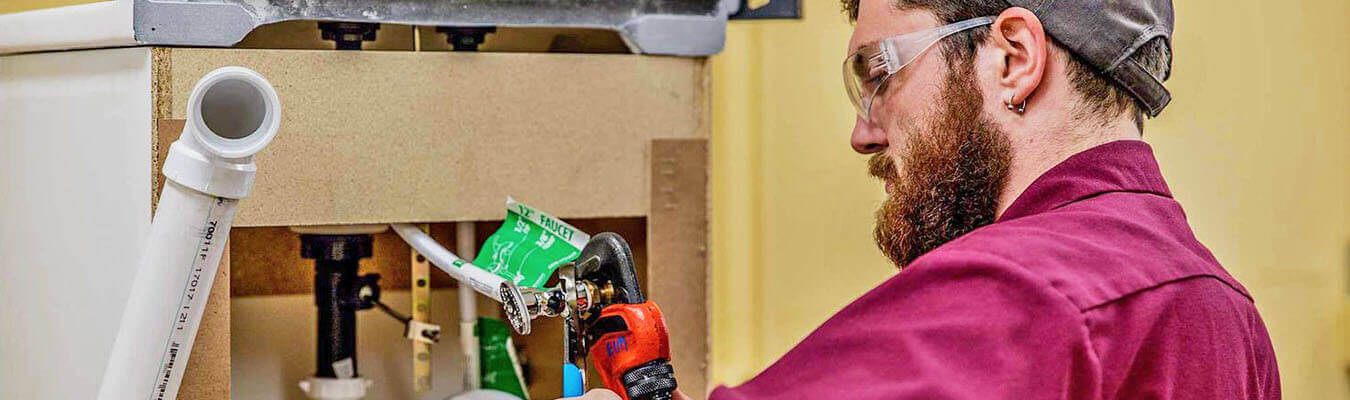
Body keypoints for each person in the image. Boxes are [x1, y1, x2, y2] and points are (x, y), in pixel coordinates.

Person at [571, 0, 1280, 398]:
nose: (862, 131)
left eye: (878, 71)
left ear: (1013, 58)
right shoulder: (1228, 317)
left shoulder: (1026, 292)